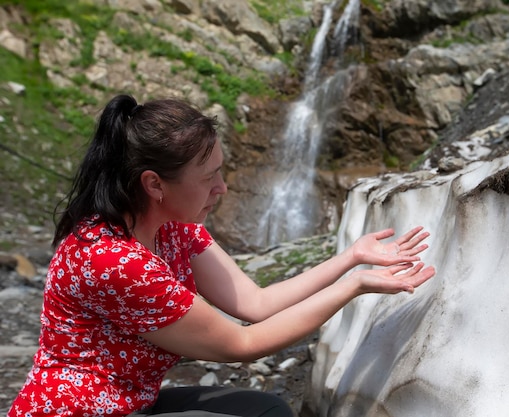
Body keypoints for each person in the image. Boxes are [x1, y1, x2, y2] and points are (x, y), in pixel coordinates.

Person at [8, 94, 436, 417]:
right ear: (155, 184)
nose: (223, 188)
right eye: (210, 176)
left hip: (129, 403)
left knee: (268, 411)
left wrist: (351, 257)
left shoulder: (174, 227)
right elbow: (243, 343)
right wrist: (355, 286)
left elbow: (254, 304)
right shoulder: (113, 261)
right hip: (75, 411)